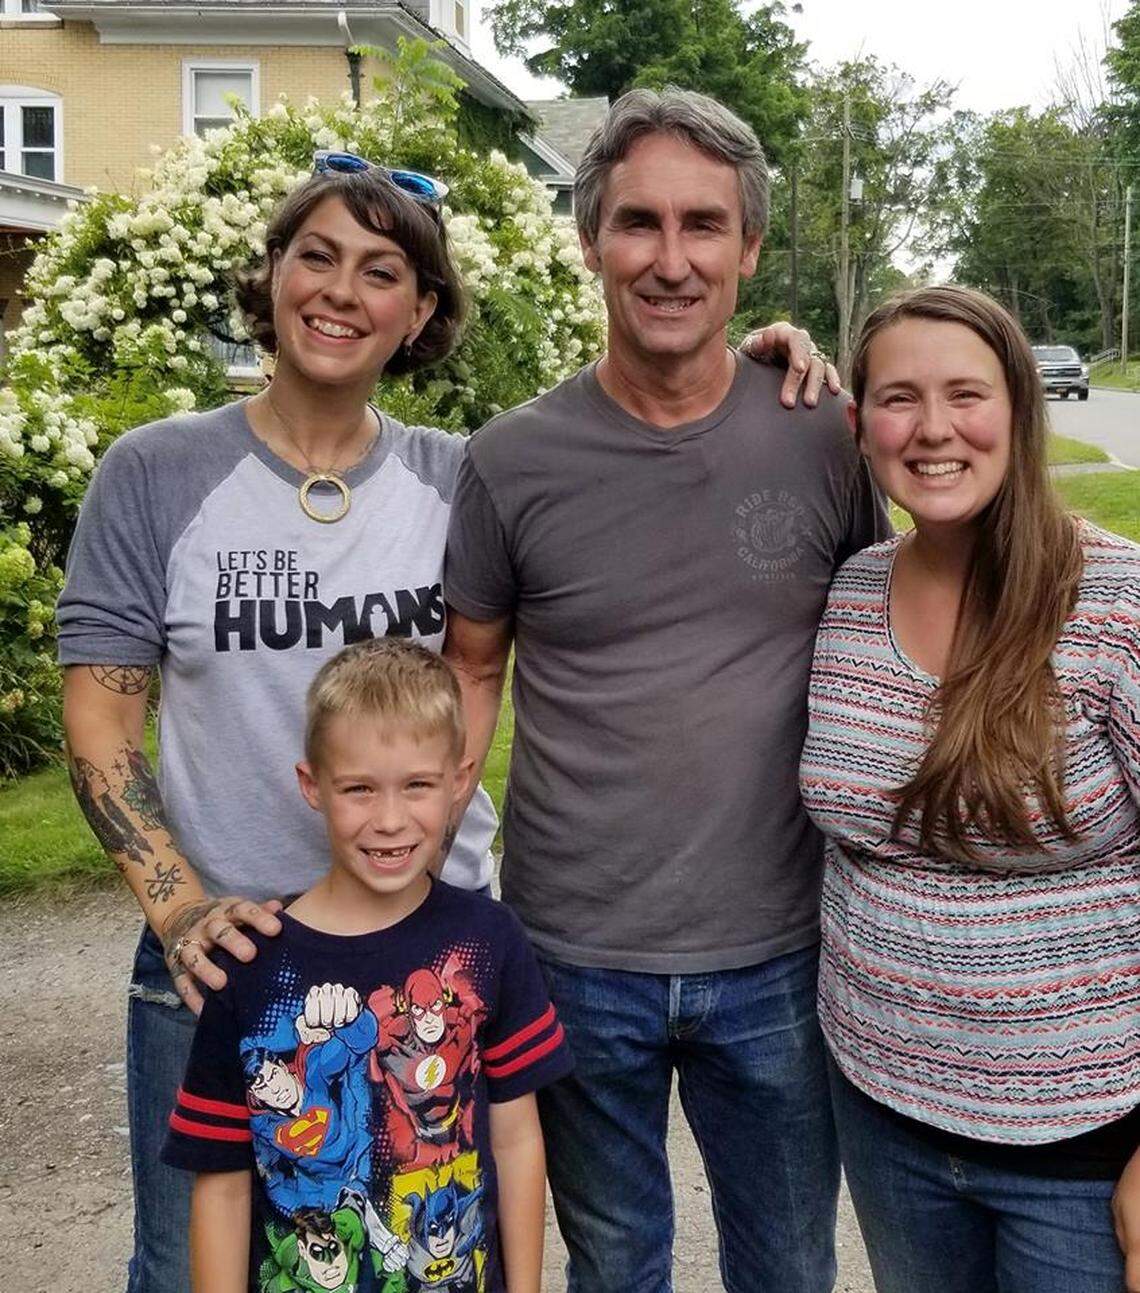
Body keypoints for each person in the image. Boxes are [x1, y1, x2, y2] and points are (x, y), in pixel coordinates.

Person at [55, 152, 828, 1292]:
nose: (339, 292)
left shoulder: (463, 476)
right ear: (268, 276)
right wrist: (181, 911)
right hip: (225, 958)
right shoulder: (156, 473)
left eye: (381, 271)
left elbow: (599, 478)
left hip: (428, 962)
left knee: (422, 1257)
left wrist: (768, 358)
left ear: (418, 312)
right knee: (189, 1265)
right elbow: (102, 722)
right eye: (314, 257)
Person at [442, 87, 890, 1293]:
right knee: (619, 1264)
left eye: (706, 227)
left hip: (786, 950)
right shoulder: (509, 460)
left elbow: (897, 629)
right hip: (574, 951)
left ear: (749, 254)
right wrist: (421, 884)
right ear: (592, 241)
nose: (672, 259)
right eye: (640, 223)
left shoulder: (825, 433)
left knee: (791, 1266)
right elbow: (472, 671)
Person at [798, 285, 1140, 1293]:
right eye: (900, 398)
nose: (935, 429)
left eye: (966, 395)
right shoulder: (853, 593)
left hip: (1081, 1146)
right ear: (861, 425)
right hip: (883, 1111)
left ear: (1021, 412)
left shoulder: (1114, 599)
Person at [161, 637, 573, 1293]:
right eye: (359, 788)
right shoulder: (248, 965)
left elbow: (518, 1139)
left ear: (459, 780)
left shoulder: (490, 939)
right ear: (312, 785)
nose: (389, 819)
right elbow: (222, 1185)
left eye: (417, 785)